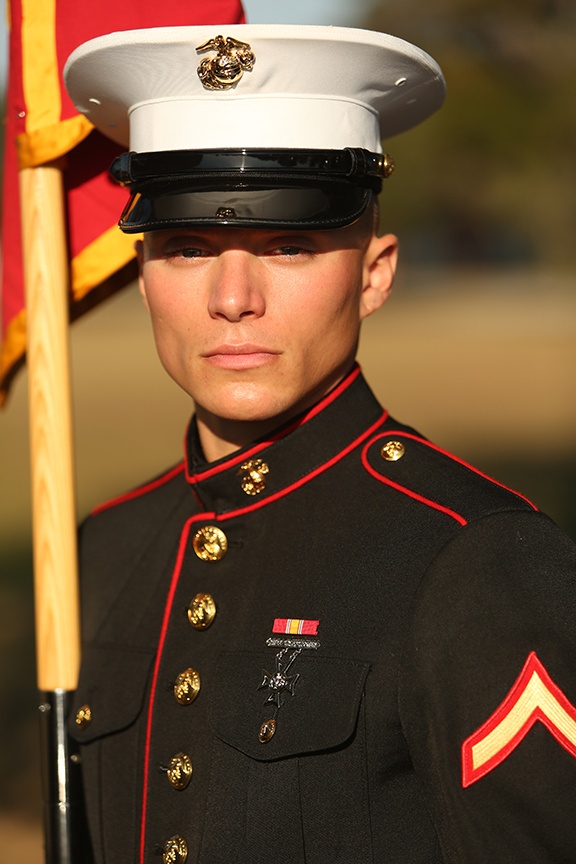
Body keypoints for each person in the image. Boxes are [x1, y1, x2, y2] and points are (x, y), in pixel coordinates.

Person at [64, 24, 576, 864]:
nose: (233, 298)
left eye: (289, 246)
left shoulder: (479, 559)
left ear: (374, 272)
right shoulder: (101, 547)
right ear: (143, 275)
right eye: (187, 247)